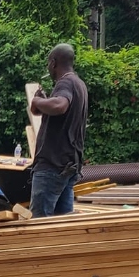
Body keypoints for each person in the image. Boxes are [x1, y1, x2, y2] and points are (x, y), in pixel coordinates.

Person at [28, 43, 88, 218]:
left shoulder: (65, 82)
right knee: (62, 223)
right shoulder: (79, 84)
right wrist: (45, 102)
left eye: (48, 63)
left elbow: (60, 106)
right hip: (69, 165)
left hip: (53, 166)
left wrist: (37, 101)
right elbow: (59, 109)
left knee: (40, 223)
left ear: (53, 63)